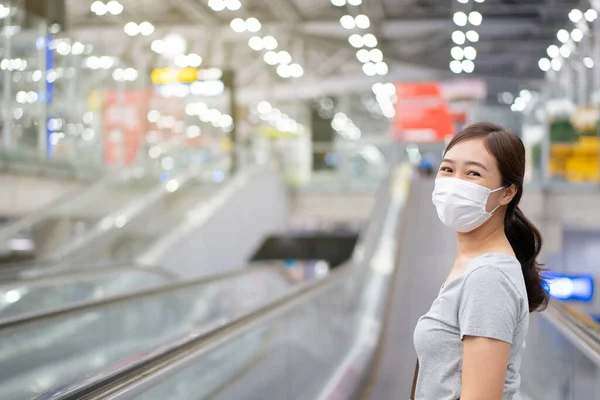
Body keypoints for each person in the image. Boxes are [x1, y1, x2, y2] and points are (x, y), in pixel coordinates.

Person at [412, 122, 548, 400]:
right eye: (448, 169)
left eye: (473, 173)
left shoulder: (488, 278)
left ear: (508, 192)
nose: (454, 183)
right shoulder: (472, 263)